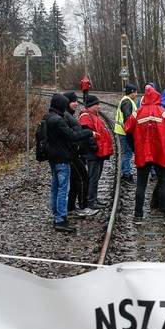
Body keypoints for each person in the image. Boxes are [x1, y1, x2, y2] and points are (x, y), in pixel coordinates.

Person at [124, 85, 165, 226]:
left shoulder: (137, 113)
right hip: (161, 152)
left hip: (142, 153)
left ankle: (138, 216)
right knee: (164, 183)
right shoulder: (163, 113)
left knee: (141, 184)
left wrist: (135, 149)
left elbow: (128, 132)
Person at [42, 93, 93, 233]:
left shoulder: (47, 118)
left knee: (55, 188)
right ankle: (61, 219)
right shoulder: (58, 121)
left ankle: (56, 215)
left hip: (52, 158)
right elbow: (72, 136)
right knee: (63, 189)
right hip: (63, 159)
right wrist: (89, 133)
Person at [63, 92, 98, 218]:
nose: (76, 104)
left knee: (74, 181)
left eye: (77, 101)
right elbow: (69, 136)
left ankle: (71, 207)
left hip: (73, 153)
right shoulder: (66, 117)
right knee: (83, 179)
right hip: (72, 154)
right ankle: (84, 207)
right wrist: (77, 146)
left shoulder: (67, 115)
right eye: (73, 101)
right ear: (66, 102)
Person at [79, 94, 113, 209]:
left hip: (99, 152)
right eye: (97, 104)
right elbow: (87, 134)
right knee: (93, 178)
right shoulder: (86, 117)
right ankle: (91, 201)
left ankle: (94, 199)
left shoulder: (93, 115)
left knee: (96, 177)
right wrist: (95, 148)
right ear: (91, 105)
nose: (99, 106)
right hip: (93, 153)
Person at [115, 84, 139, 182]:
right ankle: (126, 174)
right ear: (131, 92)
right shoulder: (127, 102)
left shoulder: (127, 101)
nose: (136, 94)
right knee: (127, 154)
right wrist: (131, 132)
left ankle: (126, 172)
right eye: (135, 92)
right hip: (125, 132)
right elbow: (128, 118)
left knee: (127, 153)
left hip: (123, 131)